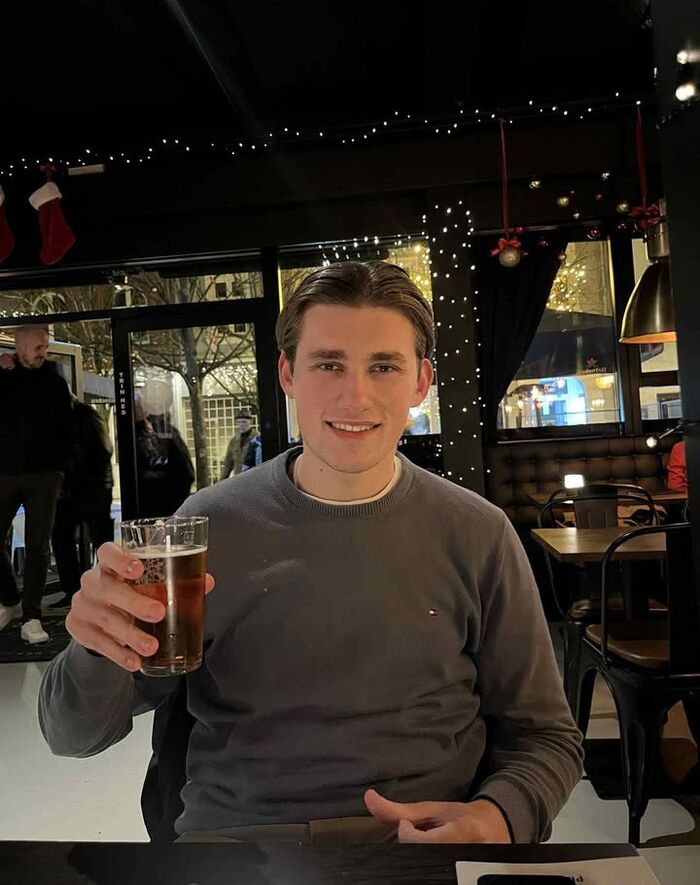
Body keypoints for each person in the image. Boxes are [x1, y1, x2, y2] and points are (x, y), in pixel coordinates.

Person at [39, 262, 583, 844]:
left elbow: (546, 735)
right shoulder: (205, 531)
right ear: (287, 374)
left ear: (420, 382)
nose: (356, 395)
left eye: (383, 367)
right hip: (238, 848)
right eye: (328, 364)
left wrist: (497, 818)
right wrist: (95, 645)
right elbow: (74, 734)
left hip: (423, 845)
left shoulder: (477, 533)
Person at [0, 324, 72, 643]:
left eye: (45, 346)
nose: (43, 352)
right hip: (4, 473)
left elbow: (66, 426)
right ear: (19, 348)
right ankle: (10, 600)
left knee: (38, 547)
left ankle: (31, 617)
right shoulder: (3, 377)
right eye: (38, 347)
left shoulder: (54, 381)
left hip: (44, 475)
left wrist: (61, 469)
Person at [50, 396, 114, 607]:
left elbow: (102, 451)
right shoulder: (77, 418)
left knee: (95, 539)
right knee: (66, 538)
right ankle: (76, 589)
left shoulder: (84, 417)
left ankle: (98, 587)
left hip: (89, 488)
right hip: (82, 488)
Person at [134, 391, 195, 518]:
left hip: (159, 506)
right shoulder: (157, 432)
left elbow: (184, 472)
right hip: (159, 505)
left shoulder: (163, 433)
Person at [220, 414, 257, 478]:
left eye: (244, 422)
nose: (241, 425)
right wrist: (222, 481)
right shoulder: (234, 441)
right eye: (238, 422)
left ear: (251, 421)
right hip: (238, 478)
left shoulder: (257, 439)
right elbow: (228, 464)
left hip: (254, 477)